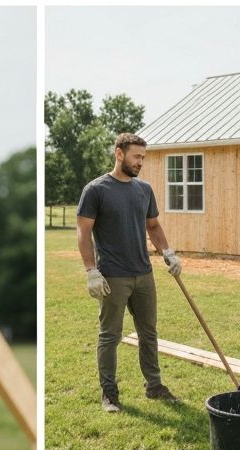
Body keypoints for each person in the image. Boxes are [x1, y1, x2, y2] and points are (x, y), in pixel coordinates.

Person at [76, 132, 181, 413]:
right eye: (136, 157)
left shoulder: (143, 190)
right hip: (113, 276)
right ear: (119, 154)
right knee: (110, 335)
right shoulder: (96, 189)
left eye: (143, 158)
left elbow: (154, 227)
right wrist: (91, 271)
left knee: (149, 333)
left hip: (143, 274)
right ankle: (109, 394)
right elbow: (83, 232)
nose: (140, 163)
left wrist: (168, 253)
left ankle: (154, 385)